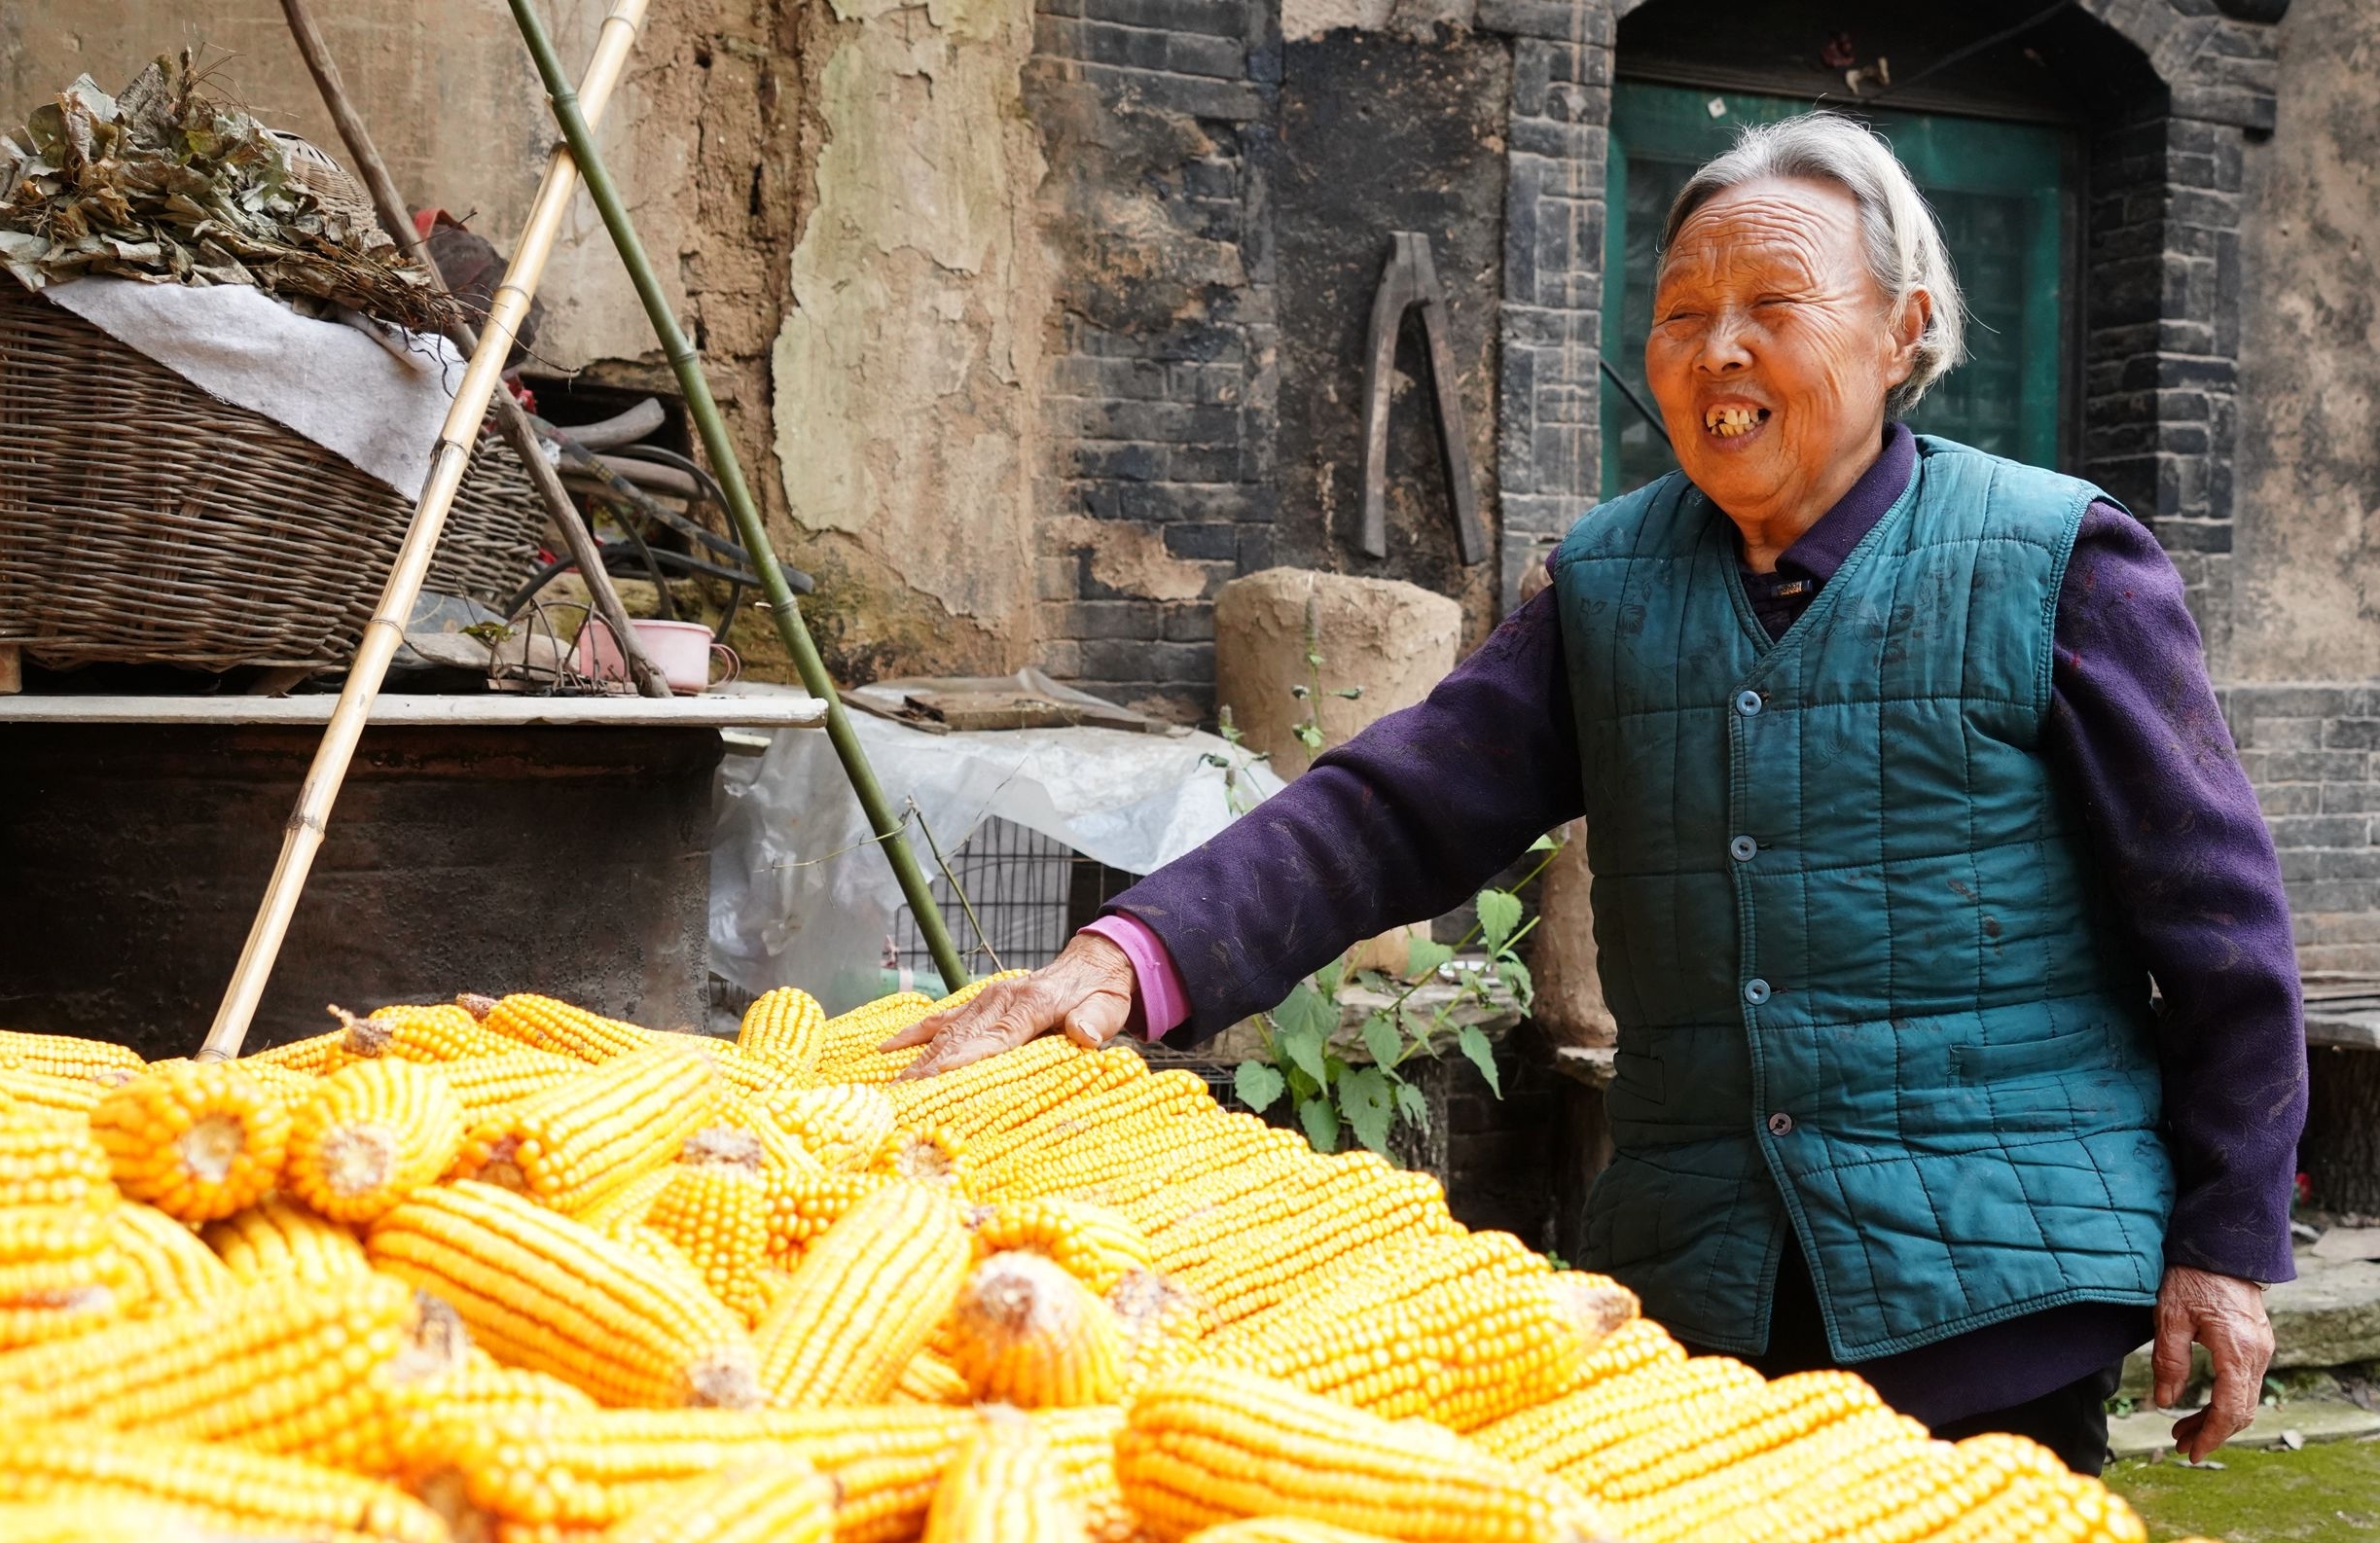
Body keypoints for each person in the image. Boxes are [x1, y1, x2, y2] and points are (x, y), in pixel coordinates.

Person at [883, 111, 2302, 1474]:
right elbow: (1395, 806)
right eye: (1680, 312)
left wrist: (2227, 1241)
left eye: (1772, 304)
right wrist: (1127, 958)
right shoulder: (1614, 584)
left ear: (1904, 329)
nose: (1716, 349)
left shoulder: (2061, 561)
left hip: (1992, 1291)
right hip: (1707, 1289)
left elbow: (2220, 927)